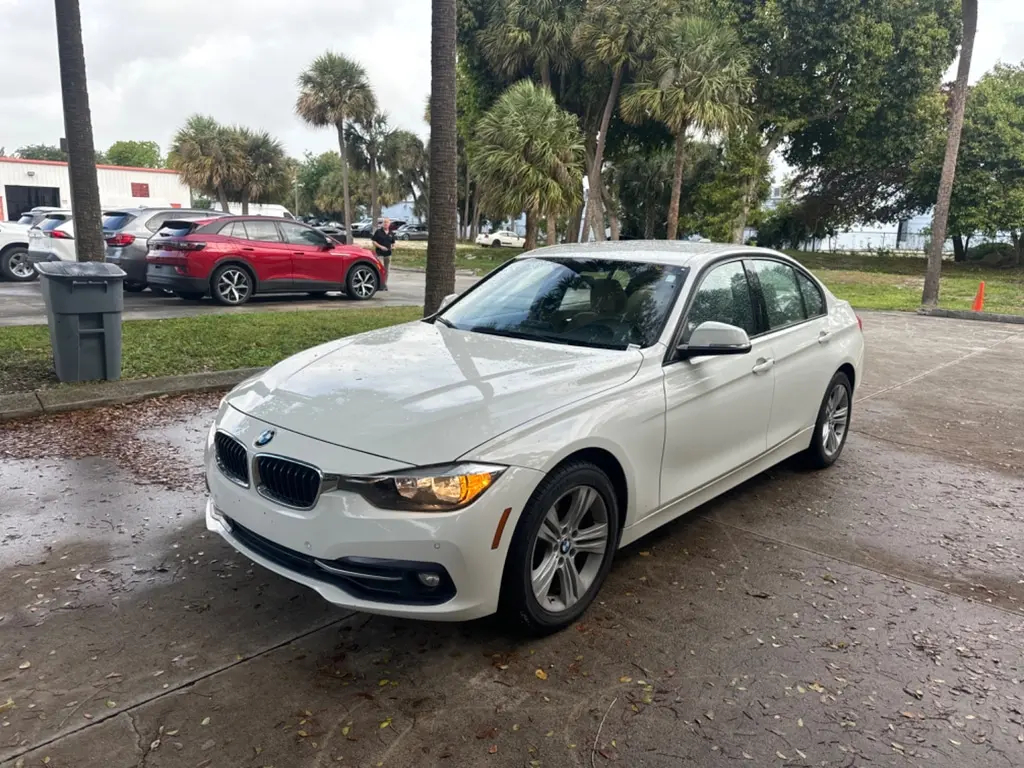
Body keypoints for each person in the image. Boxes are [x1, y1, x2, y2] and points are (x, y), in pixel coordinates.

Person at [371, 218, 395, 291]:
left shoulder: (391, 233)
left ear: (389, 224)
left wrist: (393, 247)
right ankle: (379, 284)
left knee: (387, 270)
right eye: (384, 222)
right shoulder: (378, 232)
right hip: (380, 254)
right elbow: (374, 241)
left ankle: (384, 284)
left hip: (388, 254)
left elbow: (393, 242)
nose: (385, 224)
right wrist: (381, 247)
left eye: (387, 223)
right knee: (381, 269)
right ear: (382, 224)